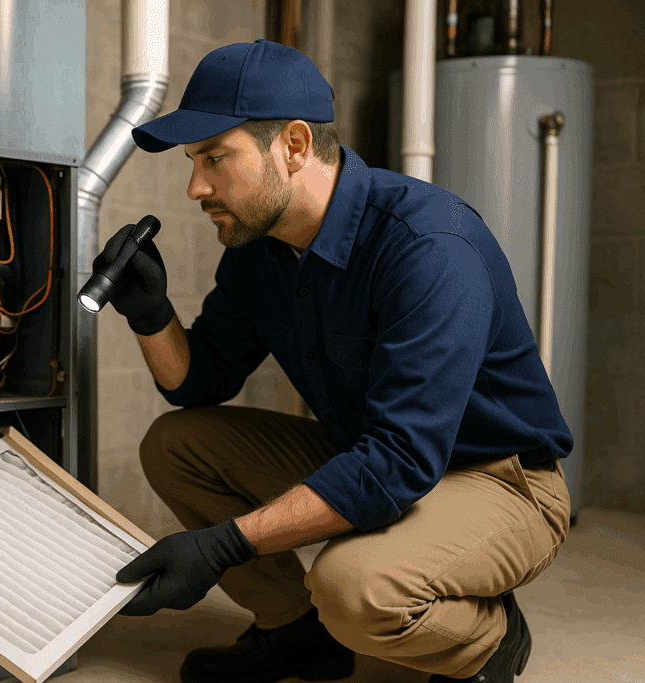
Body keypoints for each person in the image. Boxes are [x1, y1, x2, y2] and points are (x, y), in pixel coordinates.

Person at [102, 39, 572, 683]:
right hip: (383, 456)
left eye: (215, 158)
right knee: (178, 444)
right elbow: (201, 382)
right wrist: (150, 314)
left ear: (293, 146)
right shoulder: (258, 251)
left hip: (498, 480)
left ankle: (489, 639)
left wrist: (223, 546)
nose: (195, 187)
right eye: (193, 161)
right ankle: (296, 631)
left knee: (352, 587)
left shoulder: (427, 244)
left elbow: (401, 459)